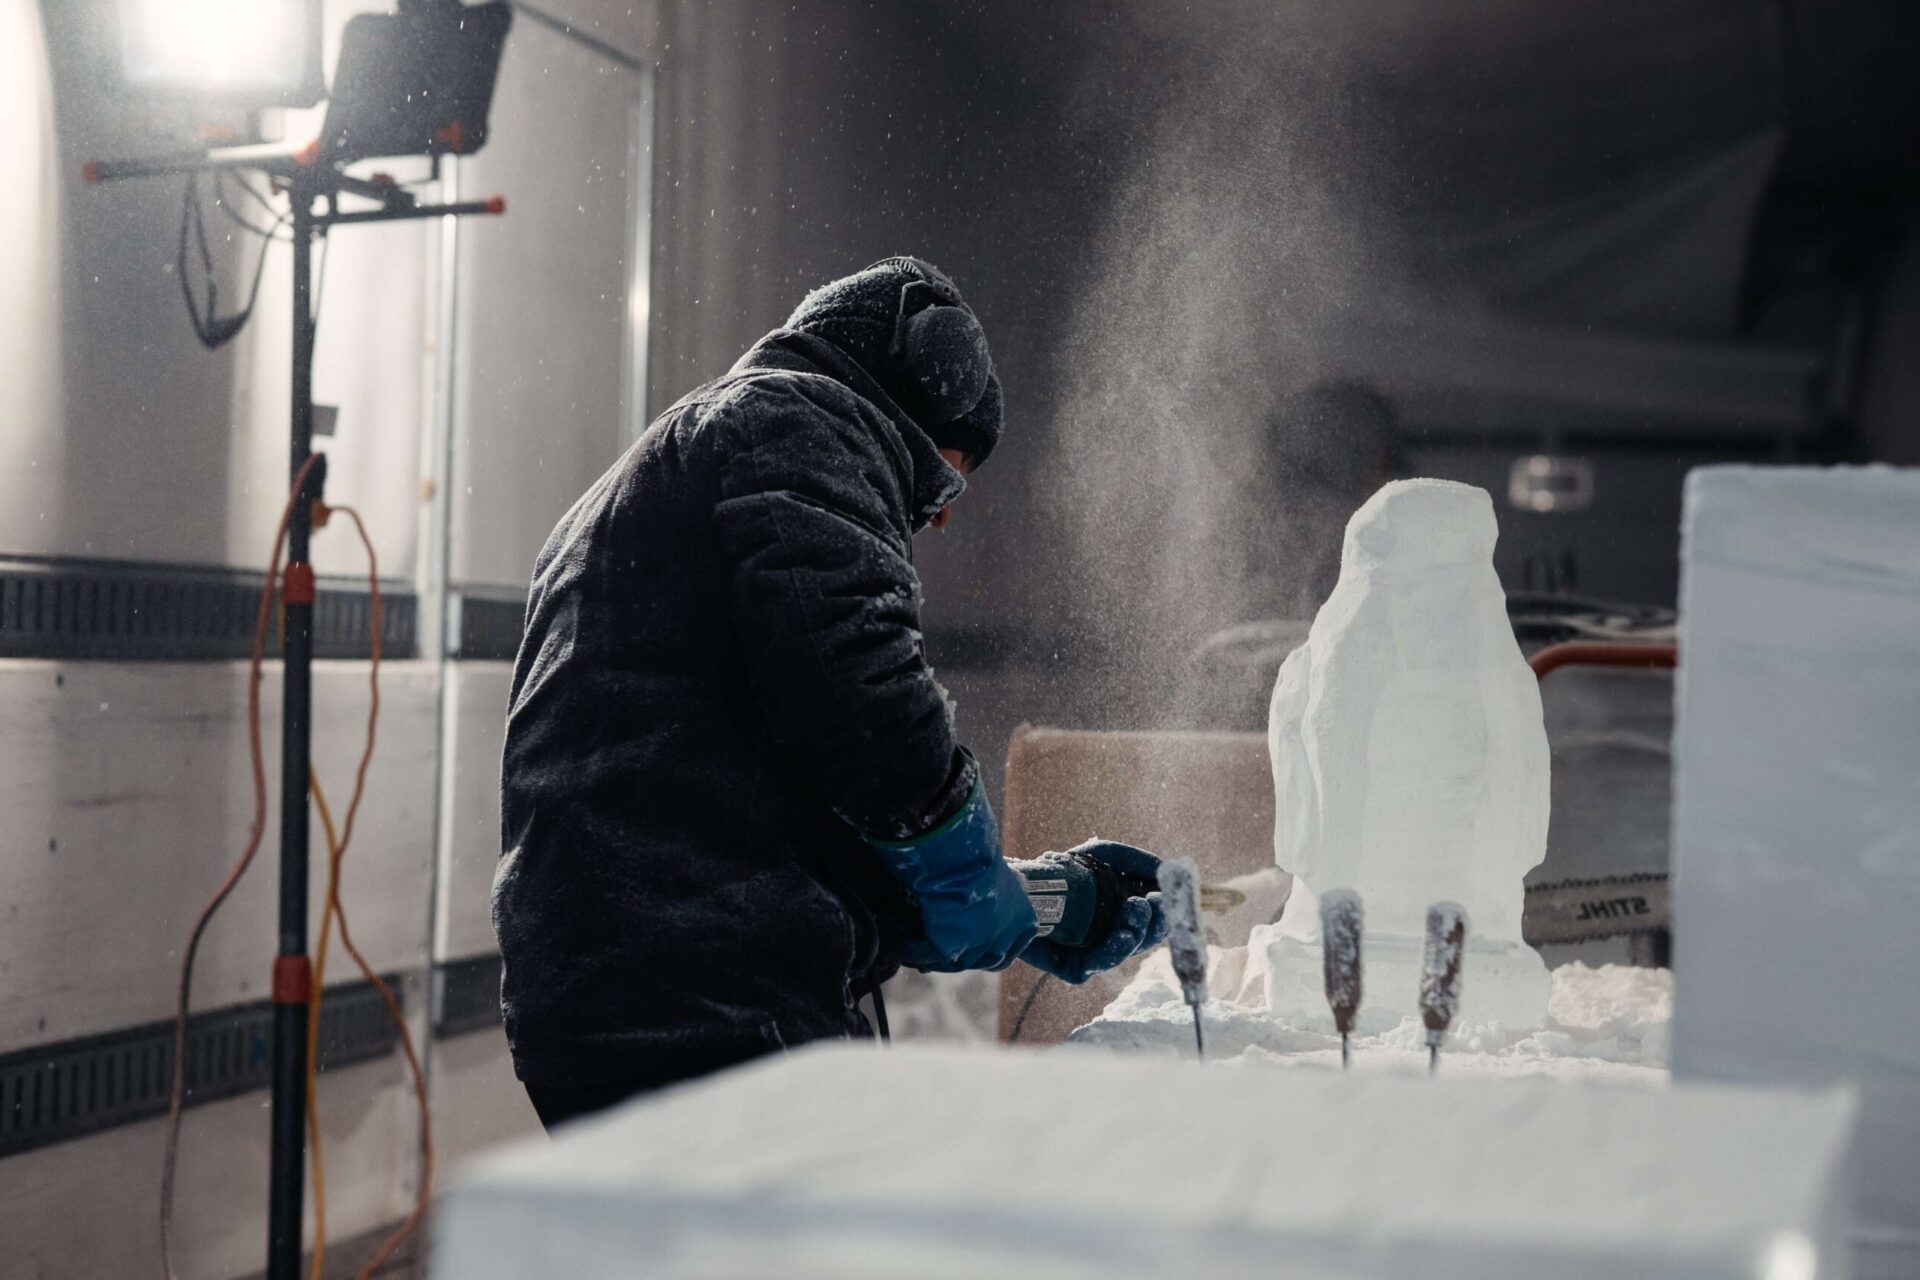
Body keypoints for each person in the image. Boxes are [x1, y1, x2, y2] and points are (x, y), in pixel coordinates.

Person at [494, 258, 1165, 1128]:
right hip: (708, 995)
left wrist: (1037, 903)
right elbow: (864, 692)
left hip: (620, 990)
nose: (941, 516)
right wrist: (960, 867)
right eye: (946, 479)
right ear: (928, 373)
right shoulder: (796, 417)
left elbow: (775, 807)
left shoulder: (667, 474)